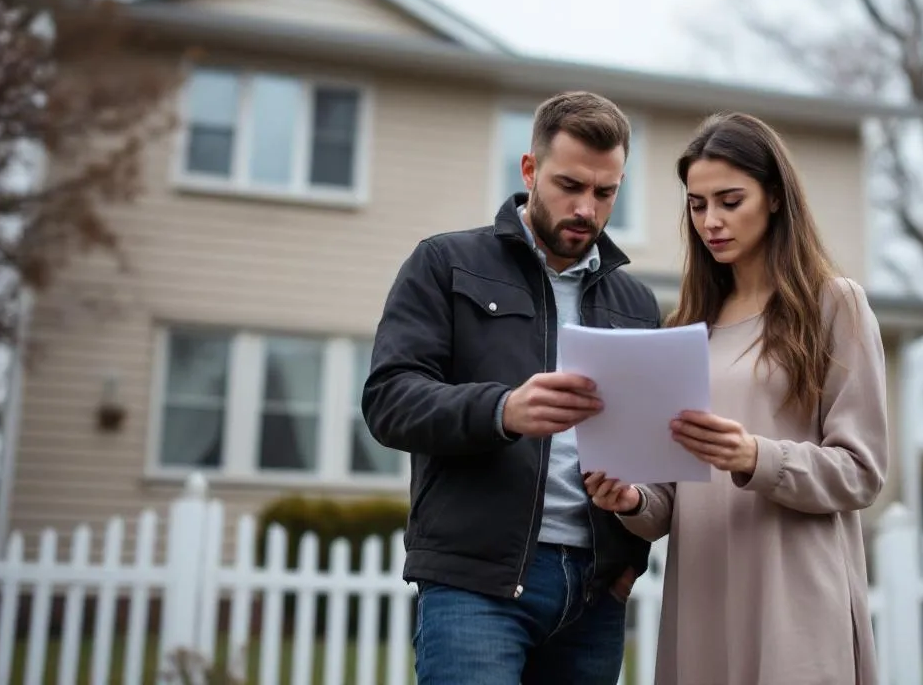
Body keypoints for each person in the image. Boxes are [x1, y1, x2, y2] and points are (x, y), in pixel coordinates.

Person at [362, 90, 662, 685]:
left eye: (605, 193)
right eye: (569, 185)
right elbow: (388, 399)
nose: (587, 208)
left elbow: (650, 448)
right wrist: (503, 409)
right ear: (529, 170)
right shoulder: (445, 263)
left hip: (595, 595)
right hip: (477, 583)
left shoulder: (637, 303)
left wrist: (630, 563)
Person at [583, 112, 890, 684]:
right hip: (703, 592)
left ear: (774, 197)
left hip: (794, 595)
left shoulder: (834, 305)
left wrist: (757, 457)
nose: (711, 221)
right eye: (698, 205)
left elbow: (861, 472)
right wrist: (631, 500)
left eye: (730, 200)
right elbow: (670, 496)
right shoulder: (687, 325)